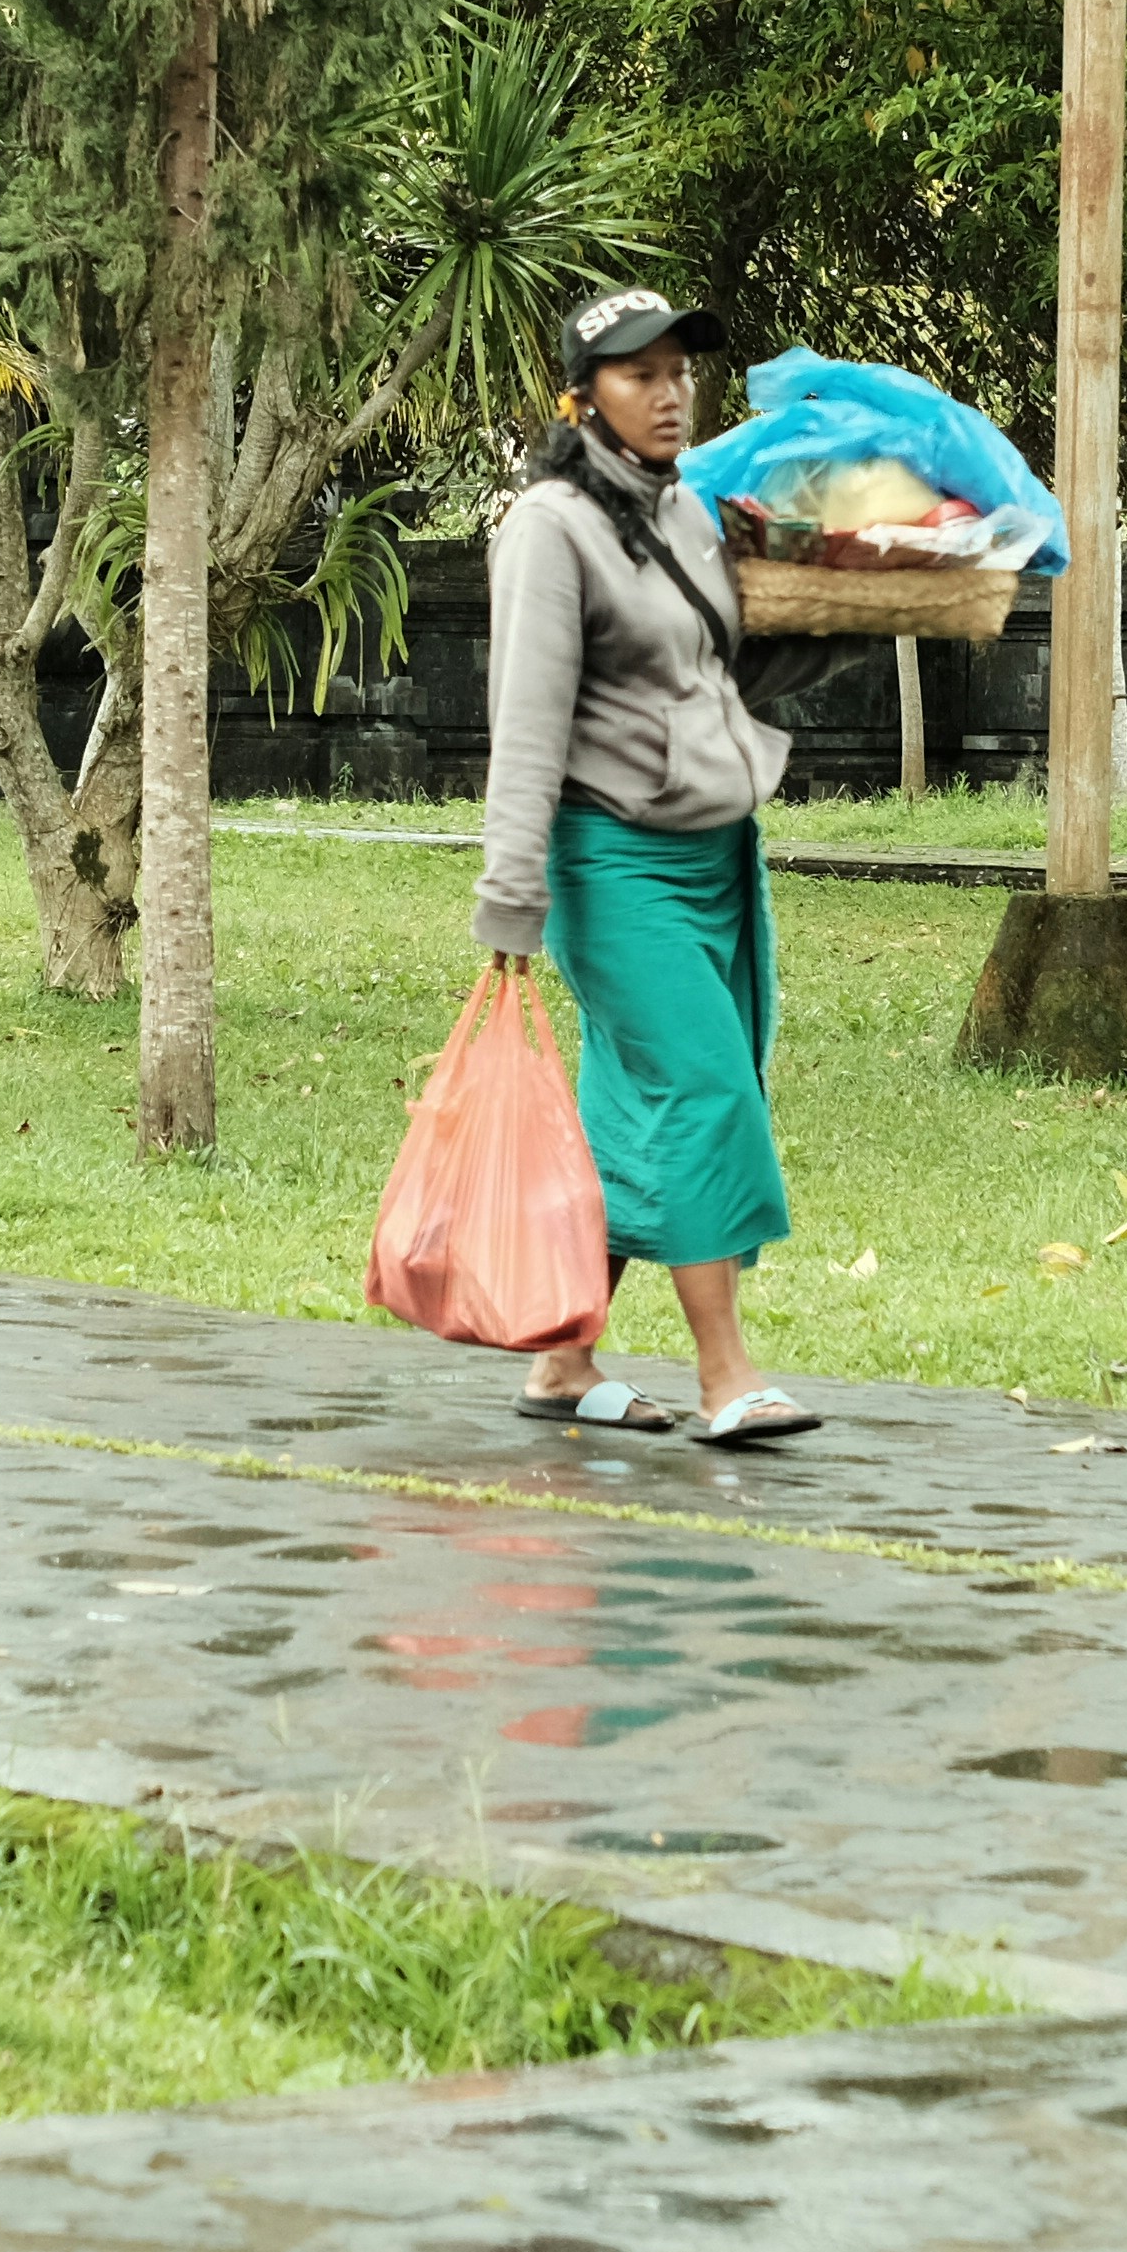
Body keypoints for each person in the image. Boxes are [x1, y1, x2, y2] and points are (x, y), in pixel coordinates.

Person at [471, 287, 850, 1447]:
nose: (670, 393)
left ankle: (562, 1362)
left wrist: (865, 601)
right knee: (704, 1090)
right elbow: (526, 720)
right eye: (640, 375)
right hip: (613, 865)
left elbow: (713, 676)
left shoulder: (689, 512)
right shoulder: (549, 528)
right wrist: (510, 895)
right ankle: (726, 1375)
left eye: (680, 370)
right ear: (582, 399)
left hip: (714, 856)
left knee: (632, 1116)